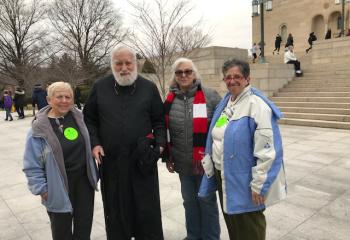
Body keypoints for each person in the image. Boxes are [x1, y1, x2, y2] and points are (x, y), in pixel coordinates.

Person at [83, 45, 166, 240]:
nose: (124, 68)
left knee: (147, 211)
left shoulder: (149, 87)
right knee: (117, 210)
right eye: (118, 63)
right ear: (112, 65)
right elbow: (90, 119)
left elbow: (159, 121)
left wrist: (160, 146)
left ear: (135, 63)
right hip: (112, 162)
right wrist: (95, 143)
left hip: (142, 161)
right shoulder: (100, 87)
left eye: (128, 63)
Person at [199, 59, 287, 240]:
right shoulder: (227, 104)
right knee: (234, 225)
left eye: (237, 76)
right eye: (228, 77)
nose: (232, 81)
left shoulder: (257, 105)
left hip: (244, 180)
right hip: (224, 175)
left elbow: (267, 151)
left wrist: (259, 184)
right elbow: (218, 134)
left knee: (249, 227)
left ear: (247, 78)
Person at [23, 81, 98, 240]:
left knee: (84, 229)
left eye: (68, 97)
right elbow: (31, 164)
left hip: (84, 183)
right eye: (59, 97)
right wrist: (42, 189)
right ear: (49, 100)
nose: (64, 100)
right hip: (57, 186)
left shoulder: (79, 118)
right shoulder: (39, 128)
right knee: (61, 232)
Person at [164, 57, 221, 240]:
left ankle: (211, 237)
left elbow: (223, 124)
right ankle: (193, 236)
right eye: (179, 72)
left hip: (205, 163)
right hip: (182, 162)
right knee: (189, 202)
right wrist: (168, 157)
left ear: (194, 73)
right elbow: (166, 131)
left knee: (207, 201)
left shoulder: (210, 96)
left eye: (188, 71)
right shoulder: (170, 100)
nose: (183, 75)